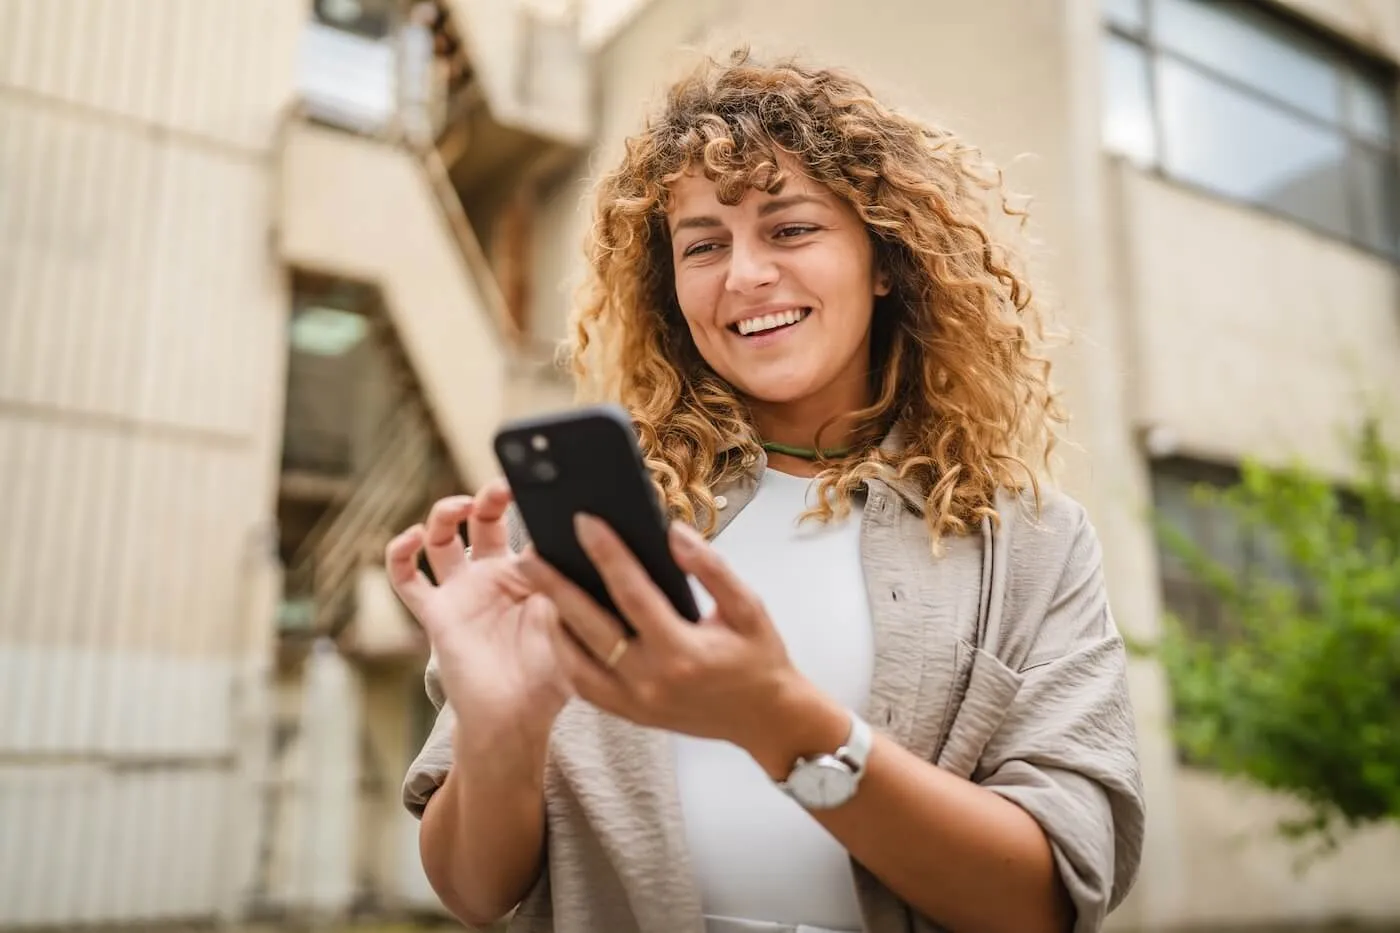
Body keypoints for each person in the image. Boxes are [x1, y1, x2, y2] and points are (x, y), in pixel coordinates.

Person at [391, 49, 1145, 933]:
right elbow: (475, 892)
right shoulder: (578, 526)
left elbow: (1047, 899)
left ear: (884, 259)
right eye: (704, 244)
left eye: (789, 229)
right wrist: (501, 730)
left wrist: (776, 719)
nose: (744, 275)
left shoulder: (1033, 544)